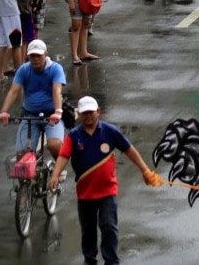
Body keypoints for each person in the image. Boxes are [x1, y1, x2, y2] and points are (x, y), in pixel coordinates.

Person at [50, 96, 162, 265]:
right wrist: (55, 175)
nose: (88, 116)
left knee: (109, 226)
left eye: (91, 112)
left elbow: (129, 150)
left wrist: (145, 170)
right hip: (85, 194)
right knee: (88, 231)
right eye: (84, 113)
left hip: (107, 192)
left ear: (98, 112)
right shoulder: (73, 136)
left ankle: (111, 260)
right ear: (79, 115)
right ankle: (90, 260)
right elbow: (64, 156)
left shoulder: (110, 131)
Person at [0, 39, 66, 159]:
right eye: (32, 55)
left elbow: (57, 90)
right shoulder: (24, 69)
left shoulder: (56, 68)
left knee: (54, 145)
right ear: (28, 56)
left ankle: (58, 169)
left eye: (38, 55)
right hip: (29, 114)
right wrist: (4, 111)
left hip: (51, 115)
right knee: (22, 155)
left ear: (46, 54)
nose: (35, 59)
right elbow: (14, 92)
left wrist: (58, 111)